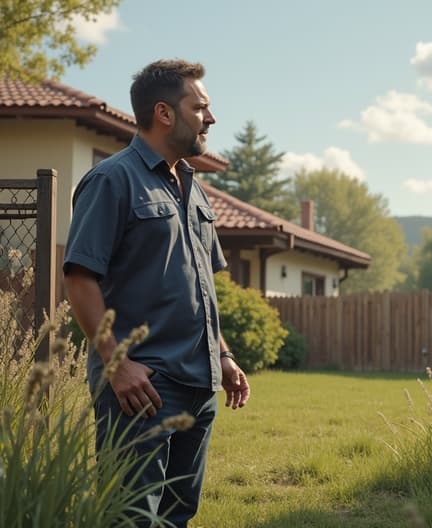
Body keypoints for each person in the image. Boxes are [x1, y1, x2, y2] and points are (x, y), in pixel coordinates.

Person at [63, 59, 250, 527]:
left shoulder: (194, 188)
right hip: (141, 386)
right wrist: (116, 362)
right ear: (165, 113)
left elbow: (203, 287)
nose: (210, 118)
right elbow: (79, 278)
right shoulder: (113, 180)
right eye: (200, 107)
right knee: (133, 516)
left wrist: (223, 356)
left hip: (199, 385)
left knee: (177, 515)